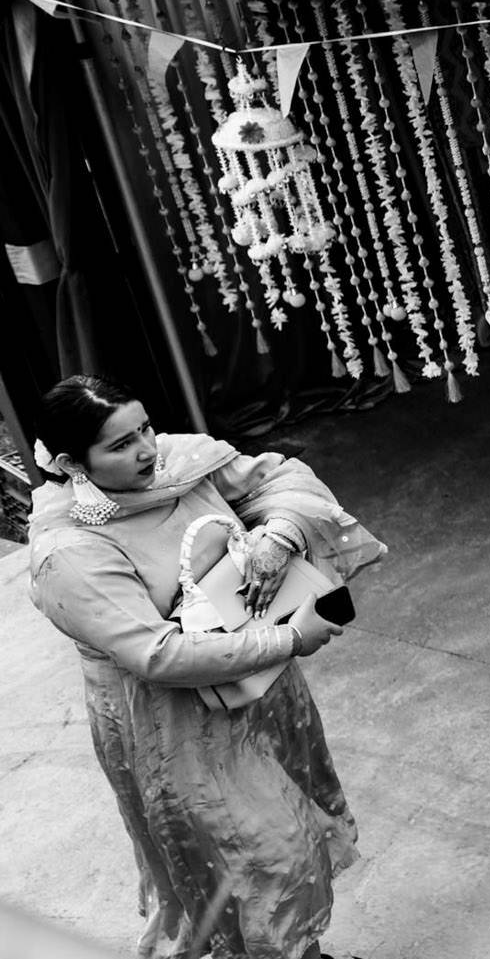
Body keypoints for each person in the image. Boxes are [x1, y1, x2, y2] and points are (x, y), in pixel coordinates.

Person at [26, 374, 386, 959]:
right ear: (71, 463)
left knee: (288, 830)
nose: (147, 449)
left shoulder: (178, 464)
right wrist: (289, 638)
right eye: (120, 445)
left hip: (259, 688)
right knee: (265, 857)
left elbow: (283, 478)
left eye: (143, 427)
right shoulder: (67, 552)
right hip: (173, 725)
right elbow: (157, 655)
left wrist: (280, 533)